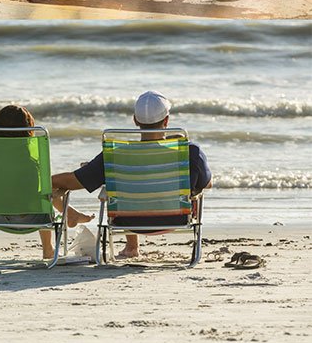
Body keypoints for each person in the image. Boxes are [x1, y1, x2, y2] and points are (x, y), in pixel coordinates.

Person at [51, 87, 212, 257]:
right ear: (166, 121)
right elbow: (206, 184)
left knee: (125, 183)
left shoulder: (114, 156)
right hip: (176, 219)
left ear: (135, 120)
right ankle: (131, 247)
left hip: (127, 221)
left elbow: (72, 181)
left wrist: (49, 180)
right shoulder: (190, 152)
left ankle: (131, 247)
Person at [0, 104, 90, 260]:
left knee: (44, 192)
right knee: (45, 194)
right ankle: (48, 249)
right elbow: (35, 194)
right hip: (31, 219)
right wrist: (58, 191)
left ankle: (72, 214)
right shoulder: (29, 163)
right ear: (27, 132)